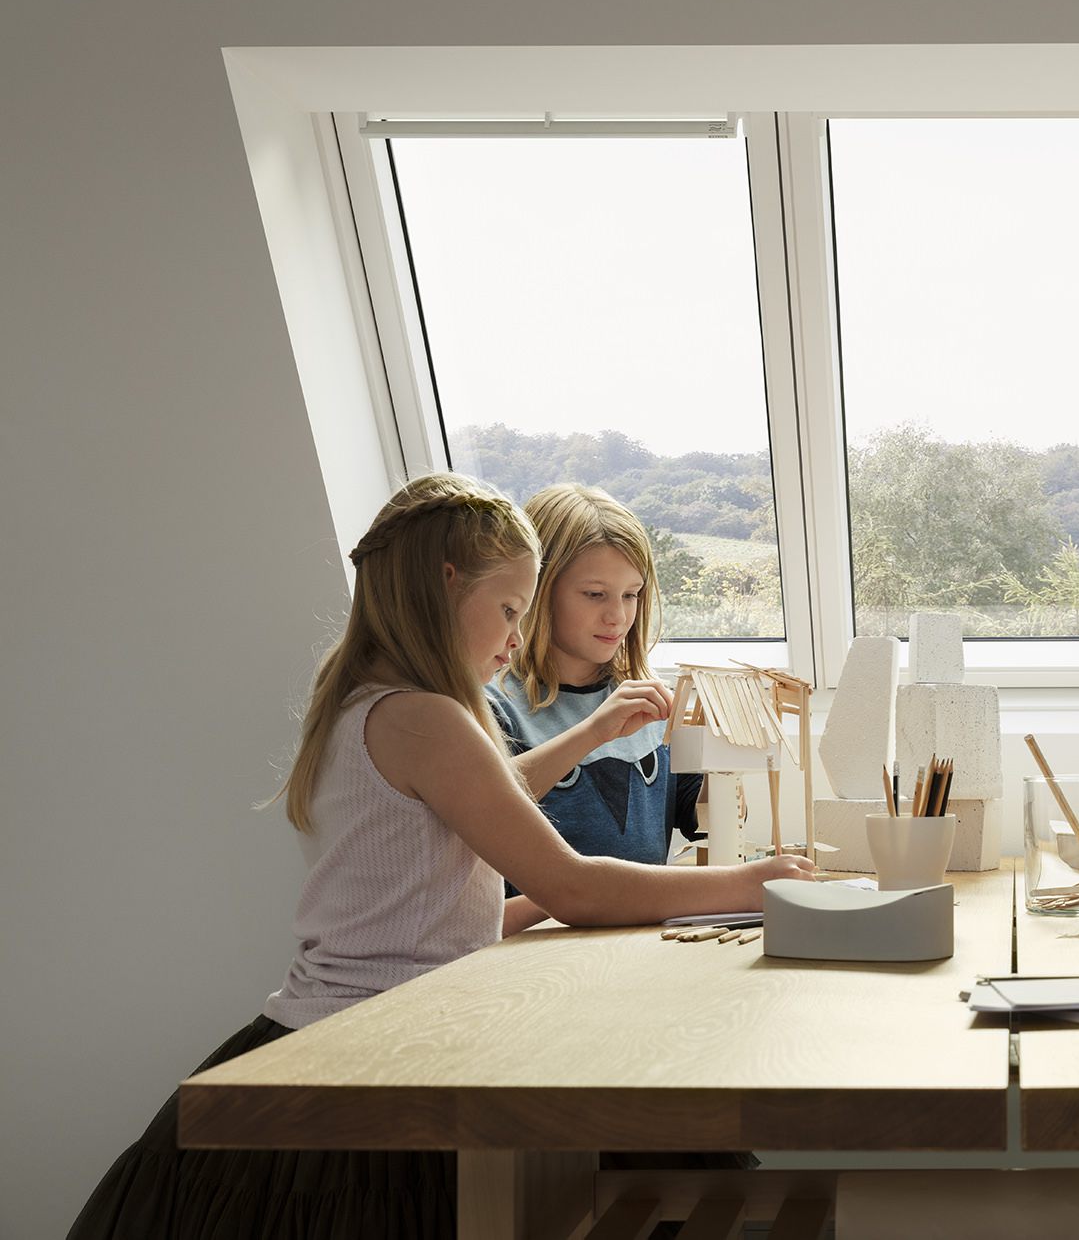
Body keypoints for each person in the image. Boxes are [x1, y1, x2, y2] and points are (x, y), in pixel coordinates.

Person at [68, 473, 812, 1240]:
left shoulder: (357, 700)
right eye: (509, 609)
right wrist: (750, 882)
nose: (516, 637)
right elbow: (574, 883)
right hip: (387, 1044)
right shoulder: (429, 719)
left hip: (329, 1024)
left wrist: (546, 904)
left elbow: (445, 877)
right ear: (445, 583)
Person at [487, 483, 704, 936]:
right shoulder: (495, 704)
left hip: (637, 939)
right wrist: (593, 732)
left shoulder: (647, 700)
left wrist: (726, 771)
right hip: (530, 954)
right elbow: (484, 803)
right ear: (538, 591)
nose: (618, 617)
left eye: (631, 595)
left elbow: (693, 813)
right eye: (594, 594)